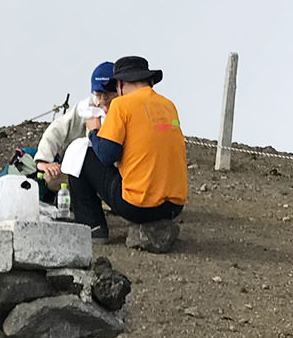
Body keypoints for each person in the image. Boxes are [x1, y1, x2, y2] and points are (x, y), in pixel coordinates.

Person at [69, 55, 188, 238]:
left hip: (138, 207)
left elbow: (107, 155)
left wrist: (94, 132)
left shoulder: (121, 104)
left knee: (79, 153)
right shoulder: (169, 106)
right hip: (174, 207)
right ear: (149, 81)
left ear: (121, 83)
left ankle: (92, 228)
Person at [34, 62, 119, 199]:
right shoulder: (86, 108)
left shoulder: (127, 111)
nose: (103, 99)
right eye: (98, 94)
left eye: (108, 94)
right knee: (51, 177)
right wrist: (43, 161)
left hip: (118, 174)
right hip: (90, 168)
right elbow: (58, 128)